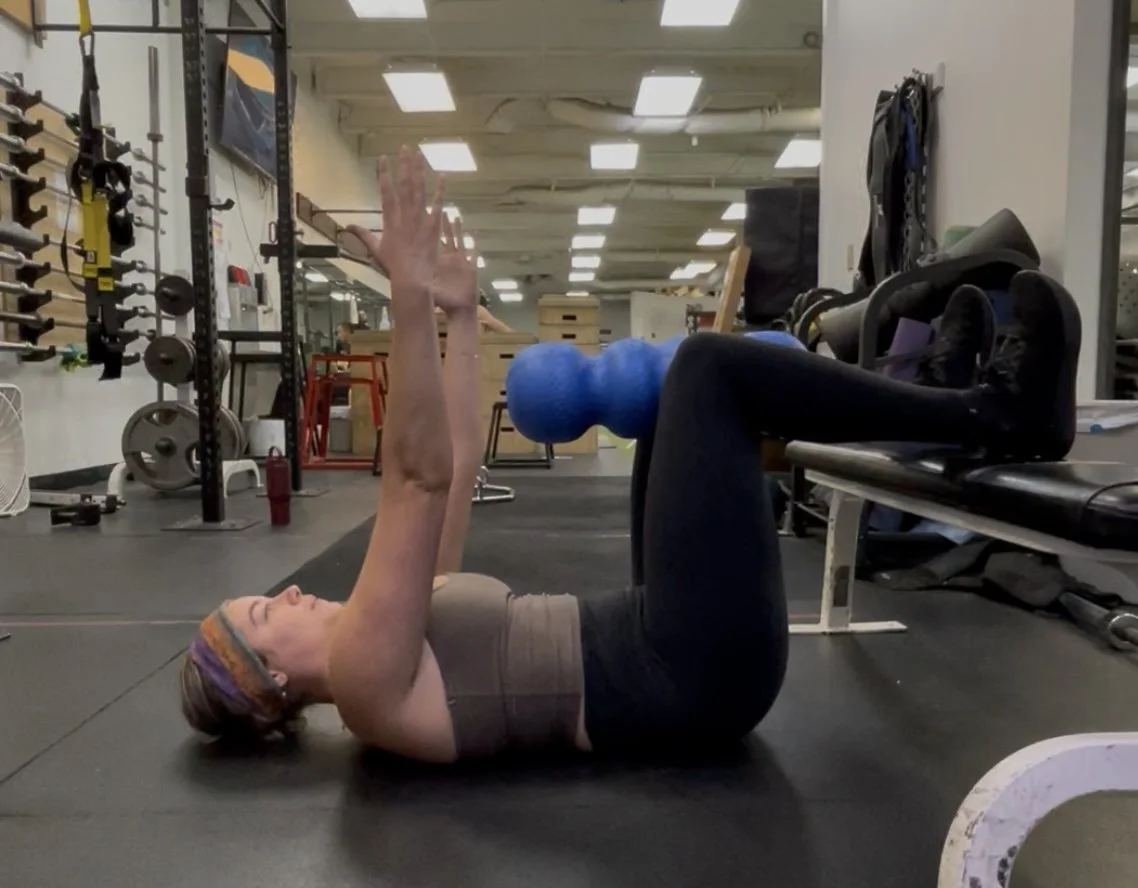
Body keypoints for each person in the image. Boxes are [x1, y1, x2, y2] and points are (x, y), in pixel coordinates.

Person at [181, 146, 1080, 762]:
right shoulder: (368, 687)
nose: (288, 592)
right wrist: (405, 304)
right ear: (269, 687)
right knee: (707, 371)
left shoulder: (380, 629)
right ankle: (991, 414)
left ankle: (927, 394)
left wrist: (457, 313)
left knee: (665, 401)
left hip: (665, 636)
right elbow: (414, 477)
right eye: (266, 614)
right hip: (691, 675)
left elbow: (453, 462)